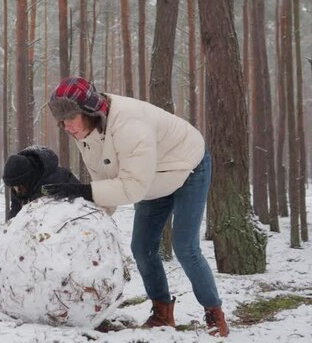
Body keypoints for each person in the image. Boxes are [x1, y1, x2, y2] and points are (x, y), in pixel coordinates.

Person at [42, 76, 229, 337]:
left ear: (89, 112)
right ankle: (162, 313)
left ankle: (214, 314)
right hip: (150, 177)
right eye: (61, 121)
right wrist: (90, 227)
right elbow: (104, 181)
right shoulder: (84, 130)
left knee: (185, 247)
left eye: (70, 118)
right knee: (142, 248)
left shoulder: (129, 125)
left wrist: (83, 191)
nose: (66, 127)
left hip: (187, 168)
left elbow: (131, 188)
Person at [2, 145, 79, 220]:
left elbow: (72, 209)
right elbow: (16, 209)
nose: (17, 191)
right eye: (13, 187)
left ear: (28, 179)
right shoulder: (18, 186)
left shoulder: (56, 179)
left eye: (19, 187)